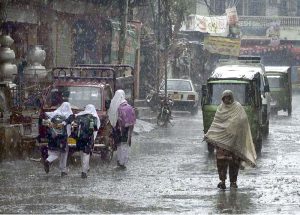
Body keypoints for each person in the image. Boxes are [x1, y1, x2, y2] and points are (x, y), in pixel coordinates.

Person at [204, 90, 257, 189]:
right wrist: (209, 134)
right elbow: (216, 124)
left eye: (229, 97)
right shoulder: (220, 109)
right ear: (222, 99)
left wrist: (235, 126)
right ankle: (222, 181)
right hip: (222, 144)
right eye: (225, 98)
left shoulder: (238, 107)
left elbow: (243, 120)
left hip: (235, 143)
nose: (227, 100)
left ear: (232, 98)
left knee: (234, 163)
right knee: (221, 163)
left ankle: (233, 182)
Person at [43, 102, 74, 177]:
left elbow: (45, 116)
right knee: (63, 153)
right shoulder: (69, 115)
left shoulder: (55, 113)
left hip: (54, 136)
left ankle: (48, 160)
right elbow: (72, 123)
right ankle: (63, 170)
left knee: (55, 151)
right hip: (64, 137)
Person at [108, 89, 136, 169]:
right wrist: (130, 134)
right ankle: (122, 162)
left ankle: (119, 160)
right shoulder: (128, 107)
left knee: (119, 145)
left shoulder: (113, 105)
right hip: (125, 129)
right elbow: (132, 121)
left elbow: (110, 118)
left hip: (116, 129)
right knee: (124, 145)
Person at [75, 104, 100, 178]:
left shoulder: (79, 116)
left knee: (82, 153)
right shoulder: (93, 117)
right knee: (86, 153)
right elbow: (95, 128)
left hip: (79, 137)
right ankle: (84, 171)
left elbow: (74, 125)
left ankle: (86, 167)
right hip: (88, 138)